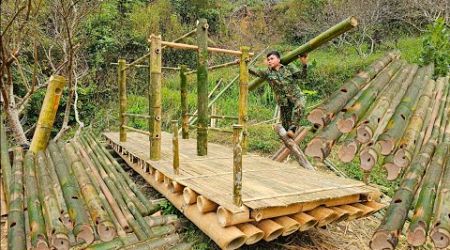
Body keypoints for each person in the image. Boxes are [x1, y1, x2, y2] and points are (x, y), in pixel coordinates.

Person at [249, 51, 308, 137]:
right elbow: (254, 71)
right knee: (286, 128)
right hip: (283, 102)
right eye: (268, 59)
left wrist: (304, 64)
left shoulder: (289, 68)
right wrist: (242, 62)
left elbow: (302, 76)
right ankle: (290, 142)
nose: (269, 61)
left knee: (300, 106)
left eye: (272, 59)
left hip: (296, 96)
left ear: (279, 59)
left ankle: (294, 127)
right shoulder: (267, 73)